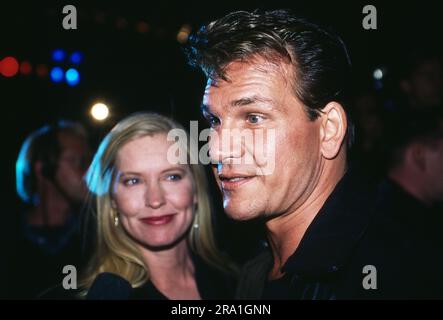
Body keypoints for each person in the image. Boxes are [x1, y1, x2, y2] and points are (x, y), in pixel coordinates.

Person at [186, 9, 443, 299]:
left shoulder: (395, 274)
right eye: (214, 121)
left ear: (329, 130)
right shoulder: (254, 270)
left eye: (254, 118)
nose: (218, 148)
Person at [77, 112, 236, 299]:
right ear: (112, 199)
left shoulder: (241, 283)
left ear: (196, 188)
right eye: (133, 181)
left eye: (172, 177)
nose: (155, 200)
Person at [12, 120, 92, 299]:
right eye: (78, 161)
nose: (89, 172)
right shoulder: (10, 238)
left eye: (90, 162)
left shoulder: (96, 235)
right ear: (43, 168)